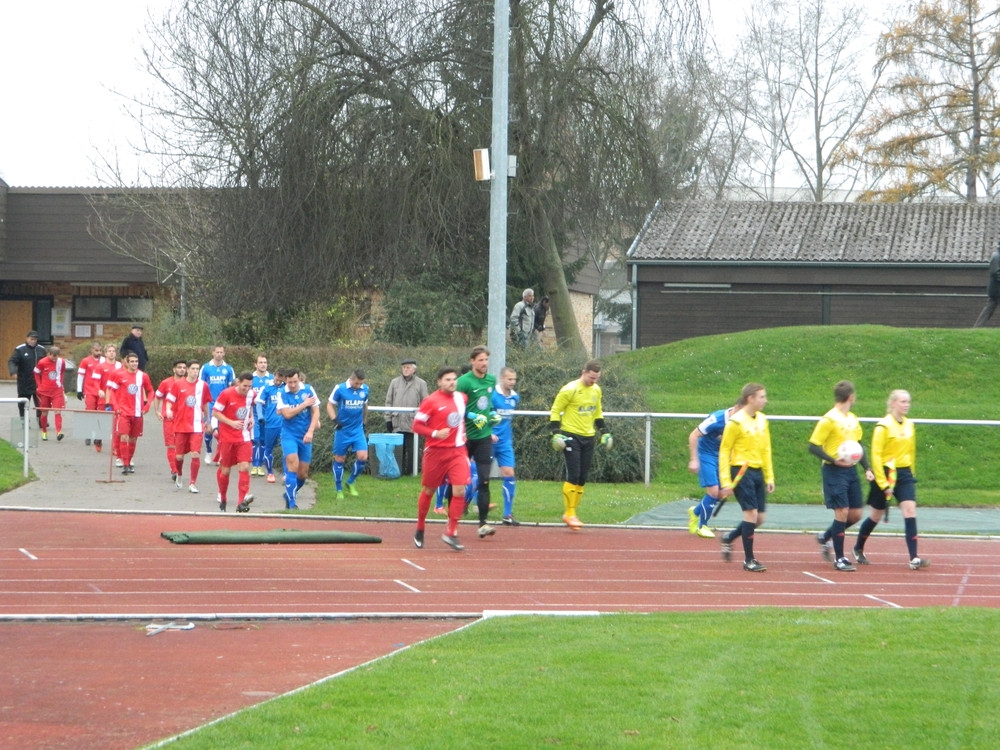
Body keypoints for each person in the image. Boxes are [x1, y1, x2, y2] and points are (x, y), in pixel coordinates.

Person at [853, 390, 930, 569]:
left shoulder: (909, 425)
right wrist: (883, 483)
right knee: (876, 515)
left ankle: (914, 558)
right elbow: (876, 455)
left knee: (910, 511)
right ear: (893, 403)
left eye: (908, 401)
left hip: (904, 473)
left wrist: (911, 473)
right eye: (903, 401)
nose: (906, 405)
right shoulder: (883, 426)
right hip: (886, 472)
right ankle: (858, 547)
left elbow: (910, 451)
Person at [808, 380, 875, 572]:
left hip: (851, 470)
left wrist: (867, 467)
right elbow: (813, 446)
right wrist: (833, 460)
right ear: (851, 397)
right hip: (834, 471)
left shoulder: (852, 418)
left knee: (855, 514)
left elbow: (858, 445)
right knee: (842, 511)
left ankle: (825, 537)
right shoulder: (828, 419)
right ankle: (840, 558)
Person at [411, 367, 472, 551]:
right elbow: (416, 426)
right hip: (435, 452)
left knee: (460, 490)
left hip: (457, 451)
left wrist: (472, 427)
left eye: (454, 379)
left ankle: (451, 532)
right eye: (447, 379)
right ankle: (420, 526)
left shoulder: (462, 398)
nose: (452, 382)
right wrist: (435, 433)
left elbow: (463, 418)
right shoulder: (430, 401)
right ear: (439, 382)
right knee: (429, 490)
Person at [549, 359, 612, 529]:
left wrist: (604, 432)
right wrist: (556, 433)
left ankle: (572, 513)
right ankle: (569, 513)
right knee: (574, 475)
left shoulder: (596, 390)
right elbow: (555, 411)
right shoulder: (569, 389)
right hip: (571, 436)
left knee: (582, 478)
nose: (593, 381)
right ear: (584, 372)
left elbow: (597, 412)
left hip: (588, 437)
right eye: (591, 378)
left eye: (596, 379)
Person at [717, 383, 773, 572]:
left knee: (759, 518)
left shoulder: (763, 420)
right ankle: (749, 560)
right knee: (750, 514)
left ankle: (729, 537)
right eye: (762, 397)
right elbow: (724, 451)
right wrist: (726, 481)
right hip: (741, 470)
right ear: (750, 398)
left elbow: (766, 449)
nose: (765, 400)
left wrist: (769, 476)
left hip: (757, 471)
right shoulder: (736, 422)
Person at [457, 346, 501, 538]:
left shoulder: (490, 380)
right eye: (481, 360)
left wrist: (492, 414)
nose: (484, 363)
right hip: (464, 437)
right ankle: (452, 518)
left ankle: (483, 524)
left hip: (483, 437)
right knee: (458, 480)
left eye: (486, 360)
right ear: (472, 361)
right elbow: (455, 406)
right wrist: (471, 416)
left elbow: (487, 403)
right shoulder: (463, 382)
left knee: (484, 480)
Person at [686, 398, 742, 538]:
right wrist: (694, 460)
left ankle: (696, 512)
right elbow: (694, 435)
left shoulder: (742, 423)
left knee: (722, 493)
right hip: (706, 454)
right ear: (736, 408)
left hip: (723, 457)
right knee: (713, 491)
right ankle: (702, 526)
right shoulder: (716, 419)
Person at [276, 368, 320, 510]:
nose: (293, 385)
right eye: (290, 382)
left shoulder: (308, 390)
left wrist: (310, 431)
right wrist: (304, 404)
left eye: (295, 382)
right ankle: (292, 503)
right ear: (285, 381)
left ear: (299, 379)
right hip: (289, 434)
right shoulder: (282, 393)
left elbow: (316, 412)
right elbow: (287, 415)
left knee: (303, 474)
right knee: (293, 465)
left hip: (305, 434)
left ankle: (290, 493)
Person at [213, 372, 257, 512]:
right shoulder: (226, 394)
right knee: (225, 470)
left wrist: (251, 417)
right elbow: (215, 412)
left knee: (244, 467)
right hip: (227, 438)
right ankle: (223, 498)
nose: (247, 389)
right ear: (238, 382)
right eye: (244, 386)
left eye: (249, 386)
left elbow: (250, 406)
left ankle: (241, 502)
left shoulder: (251, 394)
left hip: (244, 437)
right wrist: (230, 422)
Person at [165, 361, 211, 493]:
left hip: (197, 426)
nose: (195, 371)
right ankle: (179, 474)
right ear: (188, 370)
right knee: (179, 456)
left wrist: (208, 420)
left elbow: (205, 403)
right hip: (181, 425)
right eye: (193, 369)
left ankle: (192, 483)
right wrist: (168, 410)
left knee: (195, 453)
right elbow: (170, 400)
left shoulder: (203, 385)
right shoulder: (178, 384)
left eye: (197, 369)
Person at [105, 351, 153, 475]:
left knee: (133, 438)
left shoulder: (143, 376)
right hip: (124, 412)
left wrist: (147, 406)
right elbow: (112, 391)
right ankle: (125, 463)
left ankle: (130, 460)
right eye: (132, 361)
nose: (134, 363)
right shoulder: (120, 375)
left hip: (137, 413)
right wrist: (115, 406)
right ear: (127, 362)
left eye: (136, 361)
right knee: (124, 436)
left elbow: (151, 391)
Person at [326, 368, 370, 500]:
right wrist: (335, 420)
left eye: (361, 383)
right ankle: (339, 489)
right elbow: (329, 405)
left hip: (357, 430)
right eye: (356, 383)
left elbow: (365, 406)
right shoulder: (340, 388)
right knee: (340, 459)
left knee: (363, 457)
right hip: (343, 430)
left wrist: (364, 422)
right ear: (351, 379)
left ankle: (350, 482)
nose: (358, 386)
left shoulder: (365, 389)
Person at [384, 358, 429, 476]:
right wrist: (388, 419)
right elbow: (388, 401)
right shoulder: (394, 382)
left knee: (412, 450)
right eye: (404, 367)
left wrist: (423, 420)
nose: (405, 369)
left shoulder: (421, 383)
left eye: (408, 367)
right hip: (397, 421)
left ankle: (411, 473)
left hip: (413, 422)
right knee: (398, 450)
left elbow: (426, 403)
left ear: (414, 369)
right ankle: (397, 472)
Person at [491, 366, 521, 525]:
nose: (512, 382)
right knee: (479, 475)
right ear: (502, 379)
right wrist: (489, 433)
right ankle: (466, 503)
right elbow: (484, 415)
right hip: (489, 440)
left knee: (509, 473)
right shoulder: (492, 395)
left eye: (514, 379)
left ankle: (507, 514)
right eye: (509, 379)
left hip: (505, 442)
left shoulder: (515, 397)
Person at [200, 345, 235, 465]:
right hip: (210, 403)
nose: (219, 354)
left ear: (224, 353)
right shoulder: (206, 368)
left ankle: (221, 455)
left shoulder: (229, 369)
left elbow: (232, 387)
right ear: (213, 353)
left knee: (222, 431)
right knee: (209, 429)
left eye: (221, 352)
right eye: (217, 352)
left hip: (224, 404)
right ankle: (209, 451)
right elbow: (201, 386)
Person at [154, 360, 187, 482]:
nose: (182, 369)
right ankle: (174, 470)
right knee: (171, 445)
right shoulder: (166, 383)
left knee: (180, 447)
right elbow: (157, 396)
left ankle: (178, 467)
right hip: (169, 419)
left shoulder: (189, 383)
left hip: (184, 419)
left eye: (184, 367)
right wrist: (157, 411)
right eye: (179, 367)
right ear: (174, 369)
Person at [33, 345, 73, 441]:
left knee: (57, 410)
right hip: (44, 391)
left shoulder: (61, 362)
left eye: (56, 356)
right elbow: (36, 372)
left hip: (57, 390)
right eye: (53, 356)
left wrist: (61, 384)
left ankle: (59, 432)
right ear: (49, 354)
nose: (55, 358)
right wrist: (39, 385)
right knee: (44, 412)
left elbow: (62, 372)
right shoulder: (42, 362)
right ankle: (44, 432)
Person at [7, 330, 46, 423]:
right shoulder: (20, 349)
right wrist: (13, 372)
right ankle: (24, 421)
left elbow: (46, 362)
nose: (33, 341)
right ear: (27, 338)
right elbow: (12, 361)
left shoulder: (41, 349)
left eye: (35, 339)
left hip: (39, 382)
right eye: (31, 339)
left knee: (41, 403)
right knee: (23, 403)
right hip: (24, 381)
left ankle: (41, 421)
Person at [258, 369, 287, 483]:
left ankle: (286, 473)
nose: (278, 381)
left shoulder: (286, 387)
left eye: (280, 380)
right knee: (268, 449)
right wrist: (260, 416)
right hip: (271, 424)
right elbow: (259, 402)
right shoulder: (267, 387)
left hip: (284, 424)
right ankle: (270, 473)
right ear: (274, 375)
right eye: (277, 379)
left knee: (286, 448)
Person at [250, 354, 272, 477]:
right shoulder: (251, 378)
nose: (263, 365)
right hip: (254, 414)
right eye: (261, 362)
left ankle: (261, 465)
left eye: (265, 362)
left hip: (268, 415)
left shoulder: (272, 379)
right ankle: (255, 465)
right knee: (256, 439)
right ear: (256, 364)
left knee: (264, 441)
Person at [973, 241, 1000, 327]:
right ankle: (977, 327)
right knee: (989, 309)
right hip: (997, 289)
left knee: (989, 309)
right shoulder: (996, 256)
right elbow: (995, 272)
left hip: (996, 289)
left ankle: (977, 327)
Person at [76, 341, 105, 413]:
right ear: (92, 350)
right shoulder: (85, 361)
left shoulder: (104, 360)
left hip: (101, 390)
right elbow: (80, 376)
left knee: (101, 412)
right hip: (89, 390)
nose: (99, 352)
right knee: (90, 410)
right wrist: (79, 390)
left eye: (100, 350)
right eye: (96, 350)